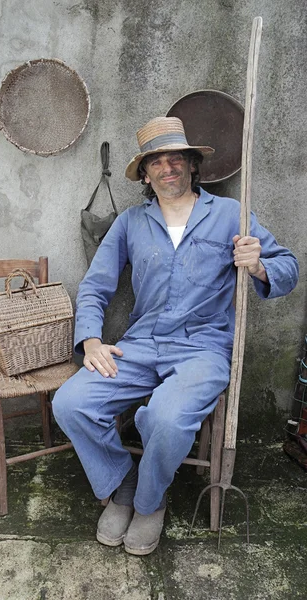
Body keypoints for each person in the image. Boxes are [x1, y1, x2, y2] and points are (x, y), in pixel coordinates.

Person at [52, 117, 299, 555]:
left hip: (203, 348)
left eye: (175, 159)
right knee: (71, 403)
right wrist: (90, 339)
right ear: (145, 174)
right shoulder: (130, 222)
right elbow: (95, 285)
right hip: (143, 342)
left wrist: (259, 264)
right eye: (156, 162)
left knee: (166, 418)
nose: (167, 168)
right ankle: (123, 483)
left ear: (190, 165)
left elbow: (288, 268)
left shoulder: (229, 215)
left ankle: (149, 503)